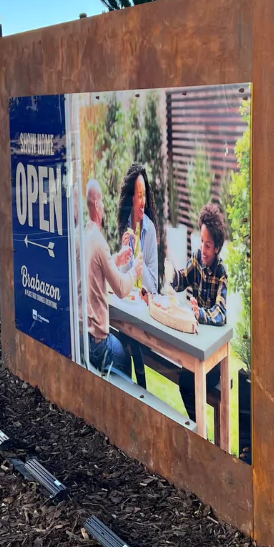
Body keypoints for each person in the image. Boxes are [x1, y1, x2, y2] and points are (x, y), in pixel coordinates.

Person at [167, 202, 228, 422]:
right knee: (184, 381)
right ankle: (198, 430)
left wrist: (199, 313)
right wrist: (170, 275)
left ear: (218, 248)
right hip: (196, 347)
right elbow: (182, 278)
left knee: (186, 382)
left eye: (208, 245)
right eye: (202, 242)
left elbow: (221, 314)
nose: (203, 249)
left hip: (213, 358)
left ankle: (199, 434)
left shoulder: (221, 273)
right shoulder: (197, 259)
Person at [83, 177, 140, 377]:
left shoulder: (86, 235)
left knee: (127, 346)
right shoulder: (99, 241)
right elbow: (122, 289)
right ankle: (128, 404)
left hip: (84, 338)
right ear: (98, 205)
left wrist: (117, 258)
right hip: (97, 345)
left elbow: (97, 266)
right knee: (126, 358)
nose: (105, 206)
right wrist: (136, 270)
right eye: (103, 202)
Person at [116, 163, 159, 387]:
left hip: (144, 307)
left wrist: (138, 263)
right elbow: (121, 279)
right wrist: (125, 255)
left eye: (144, 195)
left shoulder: (149, 230)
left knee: (129, 338)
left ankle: (139, 388)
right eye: (138, 195)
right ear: (130, 198)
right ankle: (132, 389)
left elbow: (154, 288)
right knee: (123, 334)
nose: (142, 201)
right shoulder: (126, 227)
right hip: (128, 305)